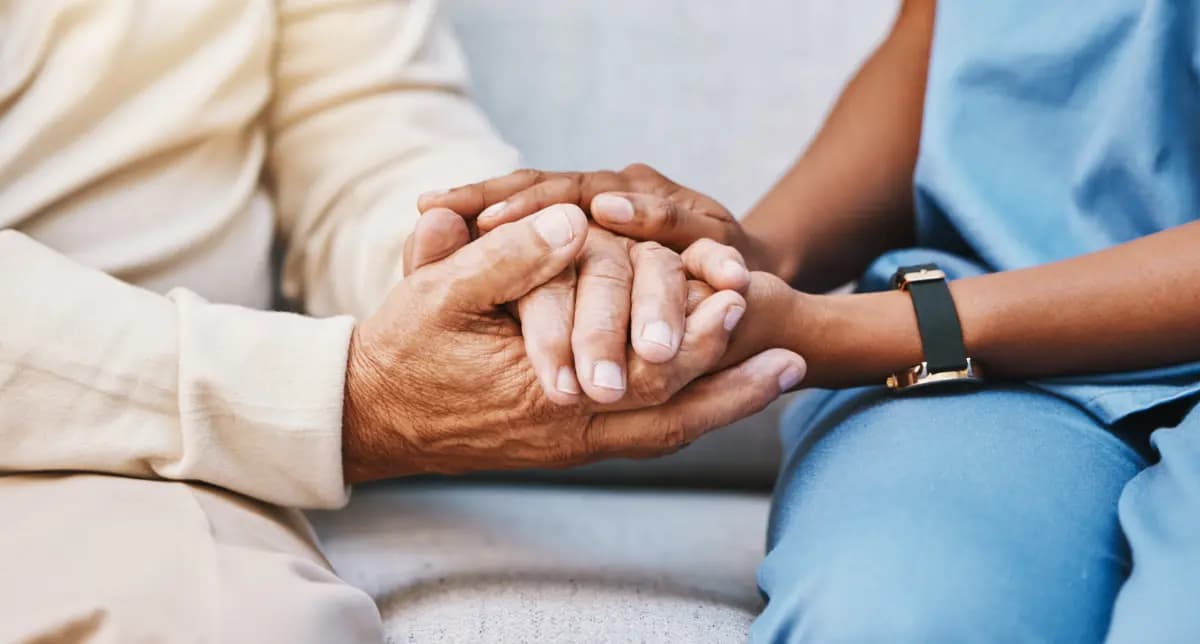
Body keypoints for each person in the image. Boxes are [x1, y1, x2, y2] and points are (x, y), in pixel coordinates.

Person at [0, 1, 806, 641]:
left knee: (235, 623)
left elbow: (365, 132)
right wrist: (338, 398)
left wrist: (508, 264)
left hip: (143, 466)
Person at [423, 0, 1200, 640]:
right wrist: (747, 255)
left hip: (937, 335)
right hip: (992, 387)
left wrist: (854, 332)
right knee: (892, 612)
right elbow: (948, 32)